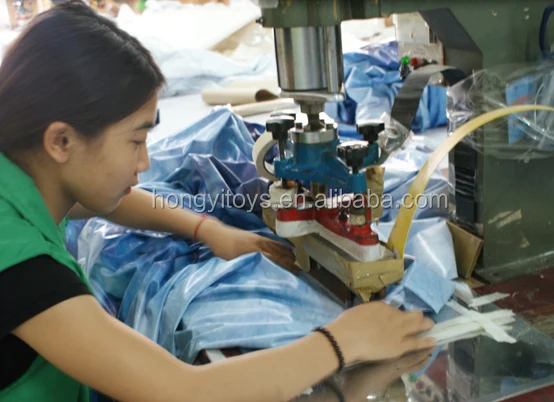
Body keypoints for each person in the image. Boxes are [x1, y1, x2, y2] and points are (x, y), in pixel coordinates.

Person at [0, 2, 436, 401]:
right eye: (136, 141)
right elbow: (183, 391)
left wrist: (207, 229)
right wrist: (342, 341)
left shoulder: (26, 178)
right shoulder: (23, 268)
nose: (145, 162)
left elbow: (111, 202)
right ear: (61, 141)